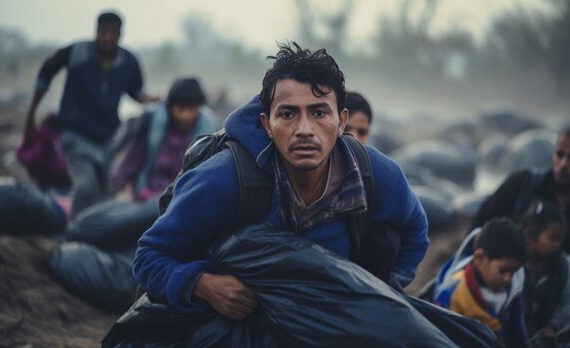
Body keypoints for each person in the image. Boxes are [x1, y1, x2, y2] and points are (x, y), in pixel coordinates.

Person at [133, 42, 428, 320]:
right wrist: (204, 286)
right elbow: (149, 257)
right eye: (287, 114)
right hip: (242, 326)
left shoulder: (375, 174)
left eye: (319, 113)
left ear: (341, 122)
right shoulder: (225, 179)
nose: (304, 129)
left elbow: (415, 229)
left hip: (332, 323)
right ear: (267, 124)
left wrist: (382, 293)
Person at [47, 78, 219, 311]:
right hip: (145, 195)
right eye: (181, 108)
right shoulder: (155, 123)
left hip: (179, 201)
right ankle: (73, 237)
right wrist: (126, 188)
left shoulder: (209, 135)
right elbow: (135, 157)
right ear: (171, 107)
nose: (186, 115)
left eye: (192, 109)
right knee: (114, 225)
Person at [23, 11, 157, 216]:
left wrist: (156, 99)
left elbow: (137, 93)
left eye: (114, 33)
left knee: (106, 191)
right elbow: (46, 73)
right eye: (104, 32)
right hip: (76, 135)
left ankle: (95, 234)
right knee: (86, 186)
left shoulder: (127, 61)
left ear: (120, 35)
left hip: (107, 139)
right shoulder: (77, 53)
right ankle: (74, 231)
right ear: (96, 32)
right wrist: (31, 113)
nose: (108, 37)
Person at [470, 127, 570, 296]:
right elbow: (479, 227)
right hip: (500, 289)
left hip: (560, 303)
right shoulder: (521, 184)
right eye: (559, 154)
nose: (563, 164)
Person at [433, 218, 528, 348]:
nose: (508, 279)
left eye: (513, 272)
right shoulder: (452, 292)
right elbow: (439, 337)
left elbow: (516, 329)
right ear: (479, 258)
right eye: (503, 270)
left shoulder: (512, 290)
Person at [519, 201, 570, 347]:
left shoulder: (564, 265)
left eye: (559, 240)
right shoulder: (514, 261)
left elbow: (568, 301)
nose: (555, 245)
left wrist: (552, 327)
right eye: (551, 238)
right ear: (532, 233)